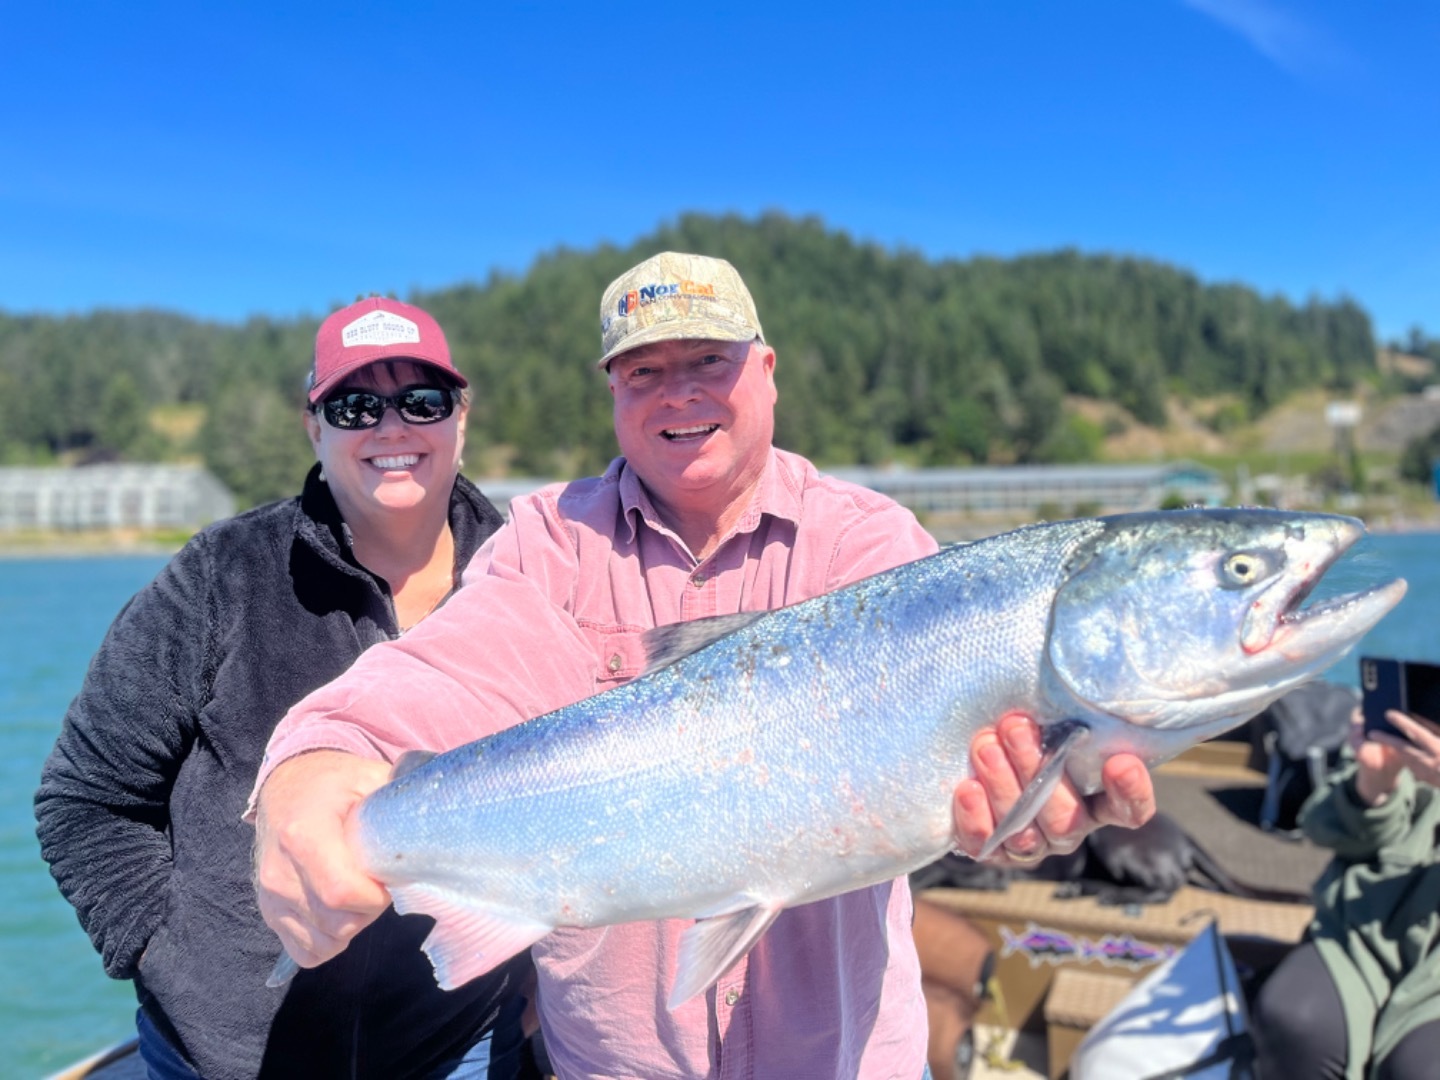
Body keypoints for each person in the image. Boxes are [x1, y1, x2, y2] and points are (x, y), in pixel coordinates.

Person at [248, 253, 1157, 1078]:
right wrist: (317, 761)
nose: (678, 394)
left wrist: (1029, 803)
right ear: (612, 390)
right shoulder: (548, 544)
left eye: (707, 362)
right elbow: (448, 670)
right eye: (645, 371)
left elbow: (987, 757)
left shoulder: (868, 543)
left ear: (764, 371)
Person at [35, 297, 537, 1080]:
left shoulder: (528, 582)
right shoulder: (219, 575)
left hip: (459, 1046)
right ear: (315, 426)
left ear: (460, 419)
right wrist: (165, 952)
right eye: (355, 405)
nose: (392, 427)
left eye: (422, 400)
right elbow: (85, 796)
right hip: (225, 1058)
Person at [1252, 706, 1440, 1080]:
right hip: (1363, 933)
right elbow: (1327, 830)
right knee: (1295, 1019)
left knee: (1422, 1068)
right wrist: (1374, 785)